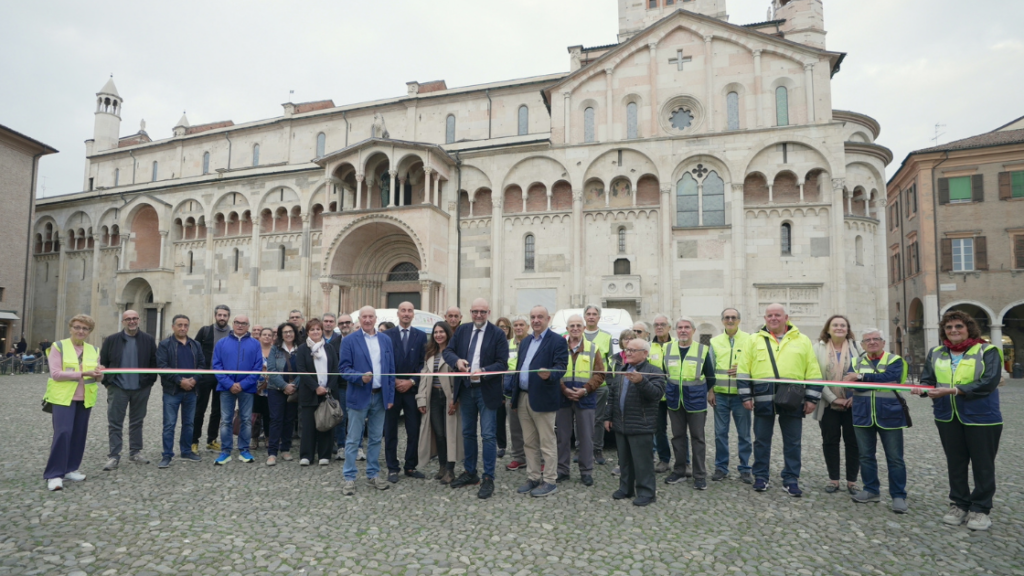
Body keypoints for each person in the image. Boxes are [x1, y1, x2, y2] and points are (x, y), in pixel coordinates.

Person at [919, 310, 1003, 531]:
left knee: (983, 464)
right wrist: (922, 389)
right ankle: (959, 504)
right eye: (949, 327)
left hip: (982, 417)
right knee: (955, 463)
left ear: (969, 328)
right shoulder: (936, 352)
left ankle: (981, 509)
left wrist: (953, 390)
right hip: (947, 415)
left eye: (958, 326)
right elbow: (928, 380)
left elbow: (989, 382)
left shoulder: (987, 350)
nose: (953, 330)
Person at [738, 303, 823, 497]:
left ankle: (791, 478)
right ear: (765, 318)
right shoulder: (753, 340)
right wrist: (745, 395)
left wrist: (812, 398)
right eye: (769, 315)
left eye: (777, 315)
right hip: (762, 398)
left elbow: (813, 370)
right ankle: (761, 476)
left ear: (786, 318)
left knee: (793, 441)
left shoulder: (802, 340)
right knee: (761, 441)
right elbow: (743, 369)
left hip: (792, 399)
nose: (773, 318)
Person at [443, 298, 509, 499]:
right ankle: (470, 472)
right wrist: (457, 362)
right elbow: (448, 351)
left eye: (482, 311)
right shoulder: (462, 330)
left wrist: (484, 371)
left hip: (486, 390)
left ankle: (488, 477)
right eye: (475, 311)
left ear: (489, 312)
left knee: (488, 435)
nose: (478, 315)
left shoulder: (497, 334)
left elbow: (502, 363)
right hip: (466, 389)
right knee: (468, 433)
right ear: (470, 312)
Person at [844, 329, 909, 514]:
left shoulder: (894, 360)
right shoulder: (856, 362)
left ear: (883, 342)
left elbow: (891, 378)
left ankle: (898, 495)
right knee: (865, 456)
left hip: (890, 414)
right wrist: (869, 381)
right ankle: (871, 490)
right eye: (867, 340)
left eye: (876, 339)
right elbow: (850, 385)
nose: (872, 342)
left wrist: (861, 378)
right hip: (863, 414)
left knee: (895, 458)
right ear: (862, 345)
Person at [507, 305, 567, 498]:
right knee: (529, 442)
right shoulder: (525, 341)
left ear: (548, 319)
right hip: (524, 397)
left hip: (543, 398)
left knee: (547, 443)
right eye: (533, 317)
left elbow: (562, 366)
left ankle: (549, 480)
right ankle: (533, 477)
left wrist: (550, 374)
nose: (536, 320)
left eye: (540, 317)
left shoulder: (557, 341)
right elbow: (519, 370)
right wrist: (515, 399)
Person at [339, 306, 396, 495]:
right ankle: (349, 477)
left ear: (376, 319)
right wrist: (359, 377)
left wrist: (390, 396)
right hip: (359, 394)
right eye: (364, 317)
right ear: (360, 319)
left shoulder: (385, 340)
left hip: (380, 396)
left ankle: (373, 474)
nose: (368, 320)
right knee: (353, 439)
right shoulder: (349, 340)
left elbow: (391, 369)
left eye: (371, 316)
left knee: (376, 438)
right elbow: (343, 369)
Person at [43, 315, 104, 491]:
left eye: (85, 328)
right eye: (77, 327)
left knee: (79, 434)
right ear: (70, 328)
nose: (80, 331)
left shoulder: (94, 350)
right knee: (63, 433)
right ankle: (54, 474)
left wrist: (99, 374)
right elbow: (56, 374)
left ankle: (70, 468)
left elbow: (98, 377)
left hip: (85, 398)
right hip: (63, 398)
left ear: (89, 332)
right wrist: (83, 373)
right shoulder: (58, 347)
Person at [603, 338, 666, 506]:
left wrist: (641, 381)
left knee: (642, 462)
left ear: (645, 354)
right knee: (624, 461)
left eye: (633, 350)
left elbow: (656, 394)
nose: (628, 353)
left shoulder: (654, 371)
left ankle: (647, 493)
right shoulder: (622, 369)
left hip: (641, 424)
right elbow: (613, 395)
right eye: (627, 350)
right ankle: (626, 488)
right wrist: (608, 417)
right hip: (621, 423)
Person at [99, 309, 158, 471]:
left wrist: (148, 383)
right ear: (123, 321)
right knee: (115, 422)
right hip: (118, 387)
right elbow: (104, 363)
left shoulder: (148, 340)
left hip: (140, 388)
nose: (132, 321)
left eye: (134, 318)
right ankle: (114, 455)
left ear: (139, 320)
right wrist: (108, 383)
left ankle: (135, 452)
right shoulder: (112, 340)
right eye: (128, 319)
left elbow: (154, 362)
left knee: (137, 421)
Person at [663, 317, 715, 490]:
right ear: (675, 330)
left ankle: (699, 475)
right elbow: (664, 373)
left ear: (693, 331)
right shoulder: (668, 348)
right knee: (677, 437)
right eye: (680, 327)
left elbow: (710, 376)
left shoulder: (702, 350)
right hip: (674, 400)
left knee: (697, 438)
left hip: (696, 401)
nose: (683, 330)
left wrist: (704, 392)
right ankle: (679, 470)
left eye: (686, 327)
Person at [812, 315, 860, 494]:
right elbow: (815, 375)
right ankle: (833, 479)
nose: (839, 328)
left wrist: (856, 396)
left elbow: (864, 373)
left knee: (853, 442)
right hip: (828, 404)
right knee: (830, 441)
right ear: (828, 329)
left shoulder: (857, 347)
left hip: (853, 404)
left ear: (848, 329)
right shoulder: (818, 348)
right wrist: (833, 398)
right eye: (835, 325)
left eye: (843, 325)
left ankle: (852, 481)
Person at [556, 314, 604, 486]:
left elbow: (600, 374)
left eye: (578, 325)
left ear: (584, 328)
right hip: (563, 397)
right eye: (572, 326)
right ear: (567, 329)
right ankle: (562, 470)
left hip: (586, 397)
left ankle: (586, 471)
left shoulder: (593, 348)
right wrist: (563, 389)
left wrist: (586, 389)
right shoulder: (559, 347)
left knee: (586, 437)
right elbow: (554, 371)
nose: (575, 328)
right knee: (562, 437)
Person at [709, 308, 754, 483]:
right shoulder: (714, 341)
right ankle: (721, 467)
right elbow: (711, 368)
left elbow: (755, 365)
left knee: (744, 434)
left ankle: (745, 468)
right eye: (727, 317)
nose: (730, 320)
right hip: (720, 395)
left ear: (739, 320)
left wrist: (742, 369)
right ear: (722, 320)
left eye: (733, 317)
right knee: (720, 434)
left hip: (741, 395)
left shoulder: (749, 339)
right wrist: (710, 391)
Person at [383, 301, 427, 481]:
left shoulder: (421, 336)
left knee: (413, 430)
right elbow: (383, 362)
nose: (406, 313)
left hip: (412, 390)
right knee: (390, 430)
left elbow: (423, 363)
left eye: (410, 310)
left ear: (413, 314)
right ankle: (392, 467)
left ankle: (410, 466)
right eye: (403, 310)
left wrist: (411, 381)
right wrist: (393, 380)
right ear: (398, 313)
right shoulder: (387, 335)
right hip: (392, 390)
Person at [155, 314, 206, 468]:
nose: (183, 328)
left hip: (191, 391)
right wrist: (180, 381)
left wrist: (194, 380)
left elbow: (202, 365)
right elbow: (162, 367)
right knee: (169, 424)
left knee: (189, 423)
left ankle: (186, 450)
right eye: (180, 325)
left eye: (185, 325)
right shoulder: (165, 345)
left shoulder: (195, 345)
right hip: (172, 391)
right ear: (173, 327)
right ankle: (167, 454)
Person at [212, 314, 264, 465]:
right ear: (233, 324)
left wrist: (243, 385)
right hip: (226, 388)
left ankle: (244, 450)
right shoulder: (222, 343)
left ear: (248, 326)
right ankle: (225, 451)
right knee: (226, 420)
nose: (240, 325)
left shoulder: (255, 344)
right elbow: (216, 366)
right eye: (237, 322)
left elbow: (257, 367)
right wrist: (229, 384)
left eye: (244, 323)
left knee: (246, 420)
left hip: (247, 388)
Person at [416, 321, 464, 484]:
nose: (438, 335)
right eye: (436, 332)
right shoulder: (430, 353)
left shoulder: (454, 352)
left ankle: (450, 470)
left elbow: (459, 379)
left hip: (449, 397)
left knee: (450, 433)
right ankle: (442, 466)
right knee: (439, 434)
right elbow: (424, 377)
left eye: (441, 332)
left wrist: (455, 399)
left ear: (448, 333)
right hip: (434, 397)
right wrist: (421, 399)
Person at [296, 318, 339, 466]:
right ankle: (306, 455)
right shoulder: (303, 349)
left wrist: (328, 388)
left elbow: (335, 370)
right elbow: (301, 370)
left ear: (322, 331)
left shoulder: (329, 348)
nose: (315, 332)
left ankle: (324, 454)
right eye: (312, 329)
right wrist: (316, 387)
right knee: (308, 425)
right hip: (309, 393)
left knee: (325, 423)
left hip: (327, 393)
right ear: (308, 332)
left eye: (318, 329)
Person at [193, 305, 231, 453]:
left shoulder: (232, 334)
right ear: (215, 316)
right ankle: (194, 441)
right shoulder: (205, 331)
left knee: (218, 410)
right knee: (199, 409)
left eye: (225, 315)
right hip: (205, 376)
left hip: (223, 377)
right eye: (220, 315)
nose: (222, 318)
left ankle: (212, 440)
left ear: (228, 317)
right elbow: (194, 349)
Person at [265, 322, 299, 466]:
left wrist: (294, 385)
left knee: (289, 420)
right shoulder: (275, 349)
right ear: (281, 334)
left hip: (294, 390)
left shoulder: (300, 348)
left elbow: (304, 370)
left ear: (295, 333)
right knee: (276, 420)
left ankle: (285, 449)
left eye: (290, 331)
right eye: (285, 332)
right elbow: (271, 369)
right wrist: (284, 386)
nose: (288, 334)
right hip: (276, 389)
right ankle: (272, 452)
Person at [583, 305, 612, 465]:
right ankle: (580, 449)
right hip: (582, 384)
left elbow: (611, 362)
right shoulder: (577, 334)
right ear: (585, 317)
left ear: (599, 318)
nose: (591, 316)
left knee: (599, 419)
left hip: (601, 385)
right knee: (580, 418)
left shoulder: (606, 337)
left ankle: (597, 449)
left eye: (594, 314)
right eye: (588, 314)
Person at [649, 314, 676, 475]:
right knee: (659, 430)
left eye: (663, 324)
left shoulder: (677, 345)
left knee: (679, 431)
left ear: (669, 327)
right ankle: (664, 460)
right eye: (656, 324)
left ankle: (684, 461)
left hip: (675, 394)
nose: (659, 327)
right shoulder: (648, 347)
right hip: (656, 396)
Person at [607, 328, 636, 477]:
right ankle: (621, 463)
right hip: (618, 398)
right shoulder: (614, 359)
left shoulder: (640, 358)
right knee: (619, 433)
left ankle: (635, 463)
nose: (628, 341)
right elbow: (609, 378)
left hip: (634, 400)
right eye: (626, 338)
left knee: (634, 433)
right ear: (621, 342)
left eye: (631, 338)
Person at [503, 317, 529, 471]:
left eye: (521, 325)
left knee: (533, 428)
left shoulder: (533, 342)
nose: (518, 327)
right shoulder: (507, 345)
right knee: (514, 428)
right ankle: (519, 458)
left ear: (527, 327)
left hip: (528, 391)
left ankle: (539, 459)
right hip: (510, 393)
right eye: (516, 325)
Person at [494, 316, 512, 458]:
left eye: (506, 327)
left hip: (511, 386)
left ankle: (518, 448)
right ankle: (501, 446)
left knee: (515, 421)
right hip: (498, 386)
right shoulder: (494, 344)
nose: (504, 329)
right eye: (501, 327)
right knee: (499, 420)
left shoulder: (513, 344)